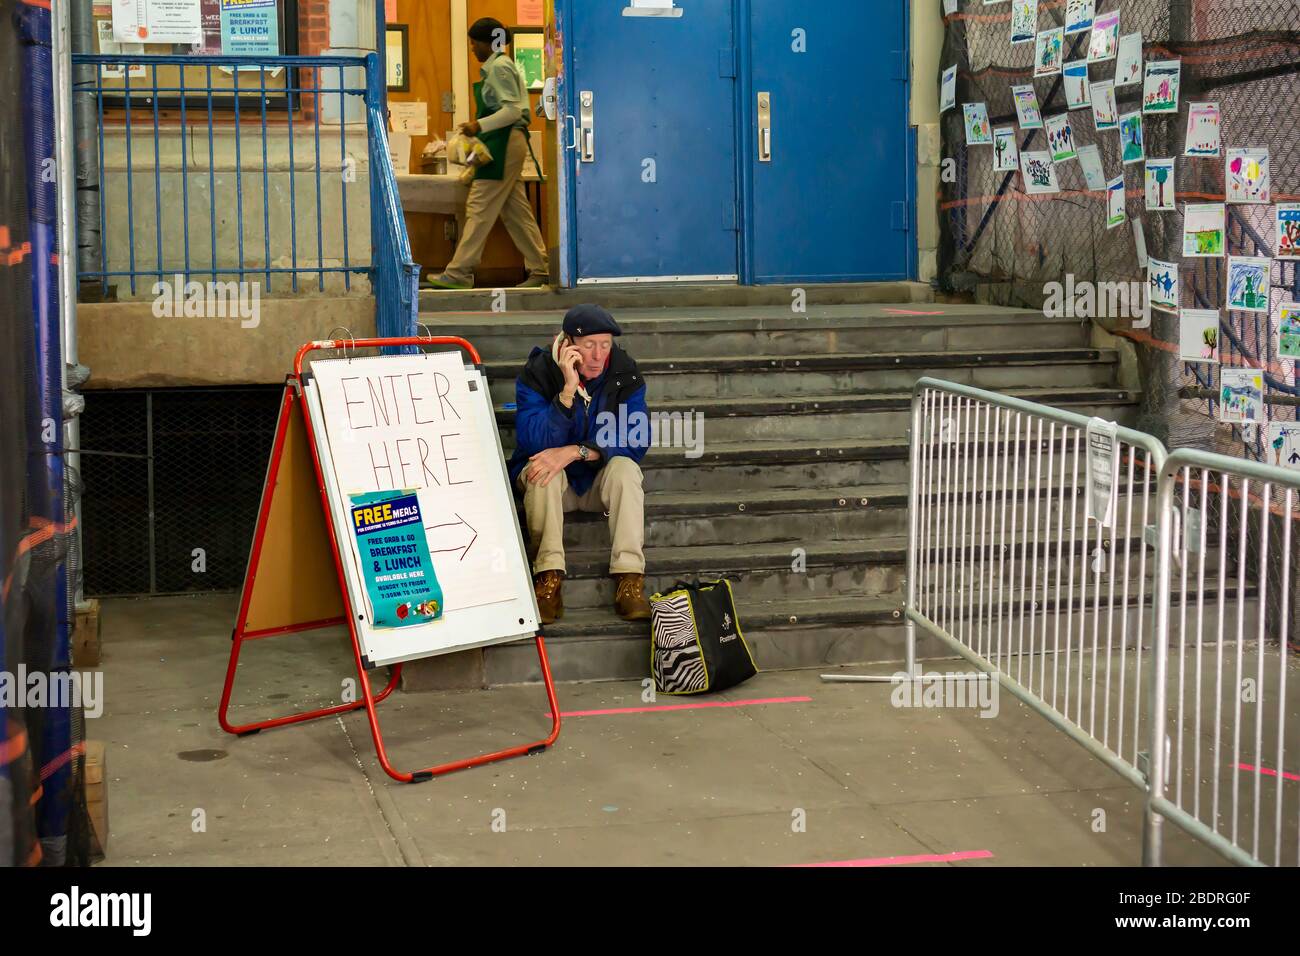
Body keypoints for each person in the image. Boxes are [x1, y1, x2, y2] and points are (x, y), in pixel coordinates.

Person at [508, 304, 651, 624]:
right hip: (554, 487)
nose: (599, 355)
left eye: (605, 344)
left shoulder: (625, 371)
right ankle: (548, 579)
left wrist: (577, 451)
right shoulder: (539, 372)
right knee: (539, 469)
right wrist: (567, 392)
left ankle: (629, 579)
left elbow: (636, 437)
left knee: (627, 470)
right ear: (569, 344)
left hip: (597, 483)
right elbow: (534, 442)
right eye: (589, 345)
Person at [428, 17, 549, 290]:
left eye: (473, 43)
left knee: (479, 206)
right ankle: (541, 268)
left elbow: (513, 111)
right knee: (515, 211)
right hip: (506, 141)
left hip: (503, 142)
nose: (472, 49)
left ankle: (459, 272)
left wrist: (477, 125)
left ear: (486, 42)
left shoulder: (499, 68)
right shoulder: (500, 66)